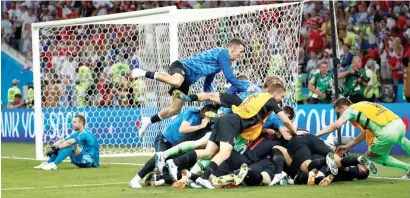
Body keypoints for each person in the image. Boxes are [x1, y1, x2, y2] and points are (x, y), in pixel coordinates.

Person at [166, 82, 298, 189]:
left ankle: (174, 162)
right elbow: (285, 120)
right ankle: (203, 178)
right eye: (282, 97)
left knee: (209, 151)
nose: (282, 100)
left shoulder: (255, 96)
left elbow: (210, 95)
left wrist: (190, 98)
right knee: (225, 153)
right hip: (232, 123)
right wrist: (295, 132)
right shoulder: (270, 99)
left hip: (224, 120)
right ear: (275, 93)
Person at [131, 39, 249, 138]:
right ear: (233, 48)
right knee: (177, 81)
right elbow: (230, 77)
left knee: (175, 109)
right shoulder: (223, 54)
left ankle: (149, 120)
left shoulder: (219, 64)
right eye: (241, 51)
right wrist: (246, 86)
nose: (241, 55)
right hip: (181, 67)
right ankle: (142, 72)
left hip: (186, 80)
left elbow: (208, 84)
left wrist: (209, 100)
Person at [317, 98, 410, 179]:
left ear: (343, 108)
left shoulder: (349, 110)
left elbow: (337, 124)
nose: (341, 115)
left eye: (339, 112)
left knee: (370, 155)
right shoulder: (363, 104)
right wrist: (349, 145)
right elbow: (365, 133)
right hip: (399, 124)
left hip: (386, 132)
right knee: (401, 140)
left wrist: (317, 135)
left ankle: (408, 167)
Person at [129, 104, 218, 188]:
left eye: (213, 116)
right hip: (165, 140)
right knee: (160, 157)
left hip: (177, 145)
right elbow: (182, 129)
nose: (211, 118)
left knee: (178, 171)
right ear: (202, 112)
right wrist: (201, 126)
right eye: (210, 115)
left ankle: (156, 177)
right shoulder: (191, 113)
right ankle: (136, 179)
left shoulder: (209, 124)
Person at [34, 114, 100, 170]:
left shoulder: (85, 134)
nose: (72, 124)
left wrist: (57, 149)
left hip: (90, 161)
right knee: (63, 144)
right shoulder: (77, 133)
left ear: (81, 123)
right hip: (82, 159)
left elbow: (69, 142)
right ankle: (48, 162)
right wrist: (53, 147)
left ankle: (53, 164)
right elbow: (62, 140)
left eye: (74, 122)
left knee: (71, 145)